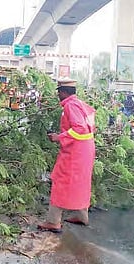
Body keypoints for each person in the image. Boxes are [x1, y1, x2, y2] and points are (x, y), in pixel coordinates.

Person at [37, 80, 96, 233]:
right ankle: (82, 217)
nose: (57, 95)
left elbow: (79, 128)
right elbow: (90, 125)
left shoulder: (70, 106)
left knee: (60, 180)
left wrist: (58, 137)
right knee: (81, 182)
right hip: (86, 149)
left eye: (58, 92)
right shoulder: (81, 104)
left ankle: (53, 221)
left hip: (75, 151)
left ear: (63, 92)